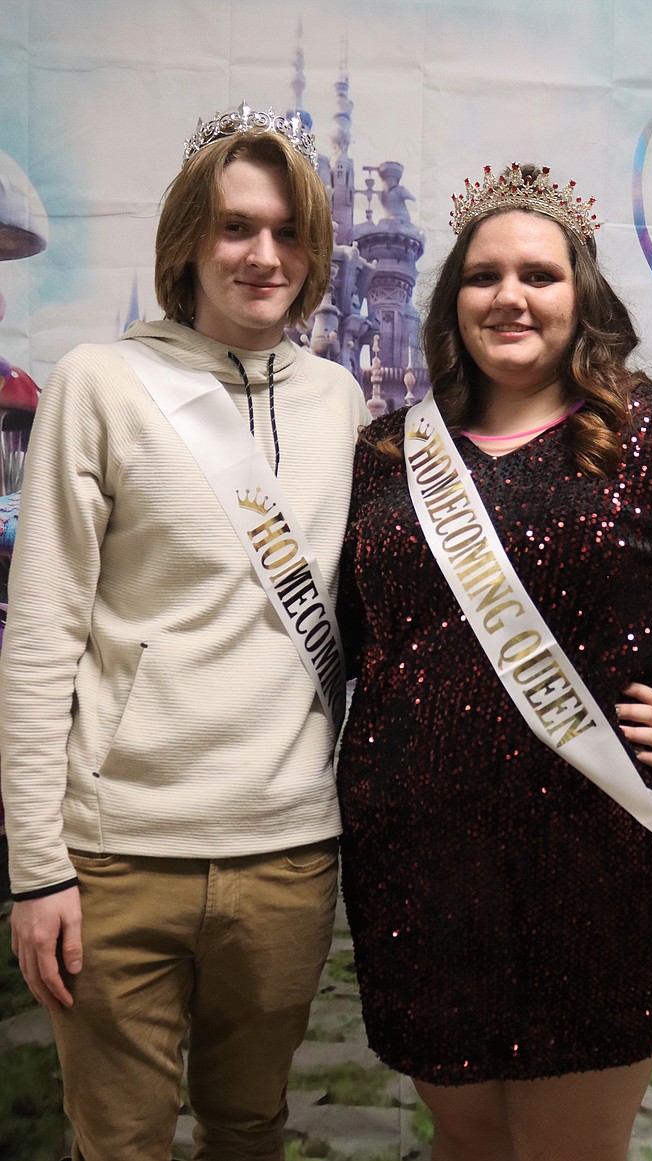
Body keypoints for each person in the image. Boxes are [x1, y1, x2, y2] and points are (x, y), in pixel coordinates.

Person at [335, 161, 652, 1161]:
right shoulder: (382, 453)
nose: (508, 297)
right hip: (416, 881)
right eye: (482, 275)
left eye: (538, 275)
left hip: (594, 876)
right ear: (449, 296)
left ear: (580, 294)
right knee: (463, 1143)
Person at [0, 102, 370, 1161]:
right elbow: (40, 646)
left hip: (288, 855)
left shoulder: (340, 402)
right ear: (187, 242)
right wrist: (38, 870)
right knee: (117, 1143)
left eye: (288, 231)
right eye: (234, 227)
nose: (264, 255)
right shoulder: (100, 383)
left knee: (250, 1130)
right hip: (121, 856)